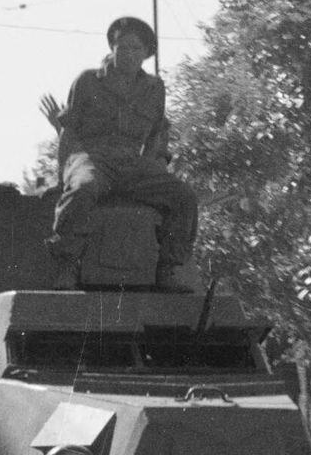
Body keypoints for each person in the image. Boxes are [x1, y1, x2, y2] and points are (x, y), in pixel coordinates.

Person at [46, 16, 198, 289]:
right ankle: (67, 265)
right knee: (82, 189)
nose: (129, 54)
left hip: (133, 163)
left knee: (183, 197)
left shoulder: (154, 89)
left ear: (145, 55)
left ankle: (168, 269)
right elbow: (69, 131)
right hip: (92, 157)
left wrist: (156, 171)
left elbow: (156, 138)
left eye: (136, 49)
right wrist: (62, 177)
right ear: (112, 49)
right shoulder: (88, 81)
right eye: (123, 47)